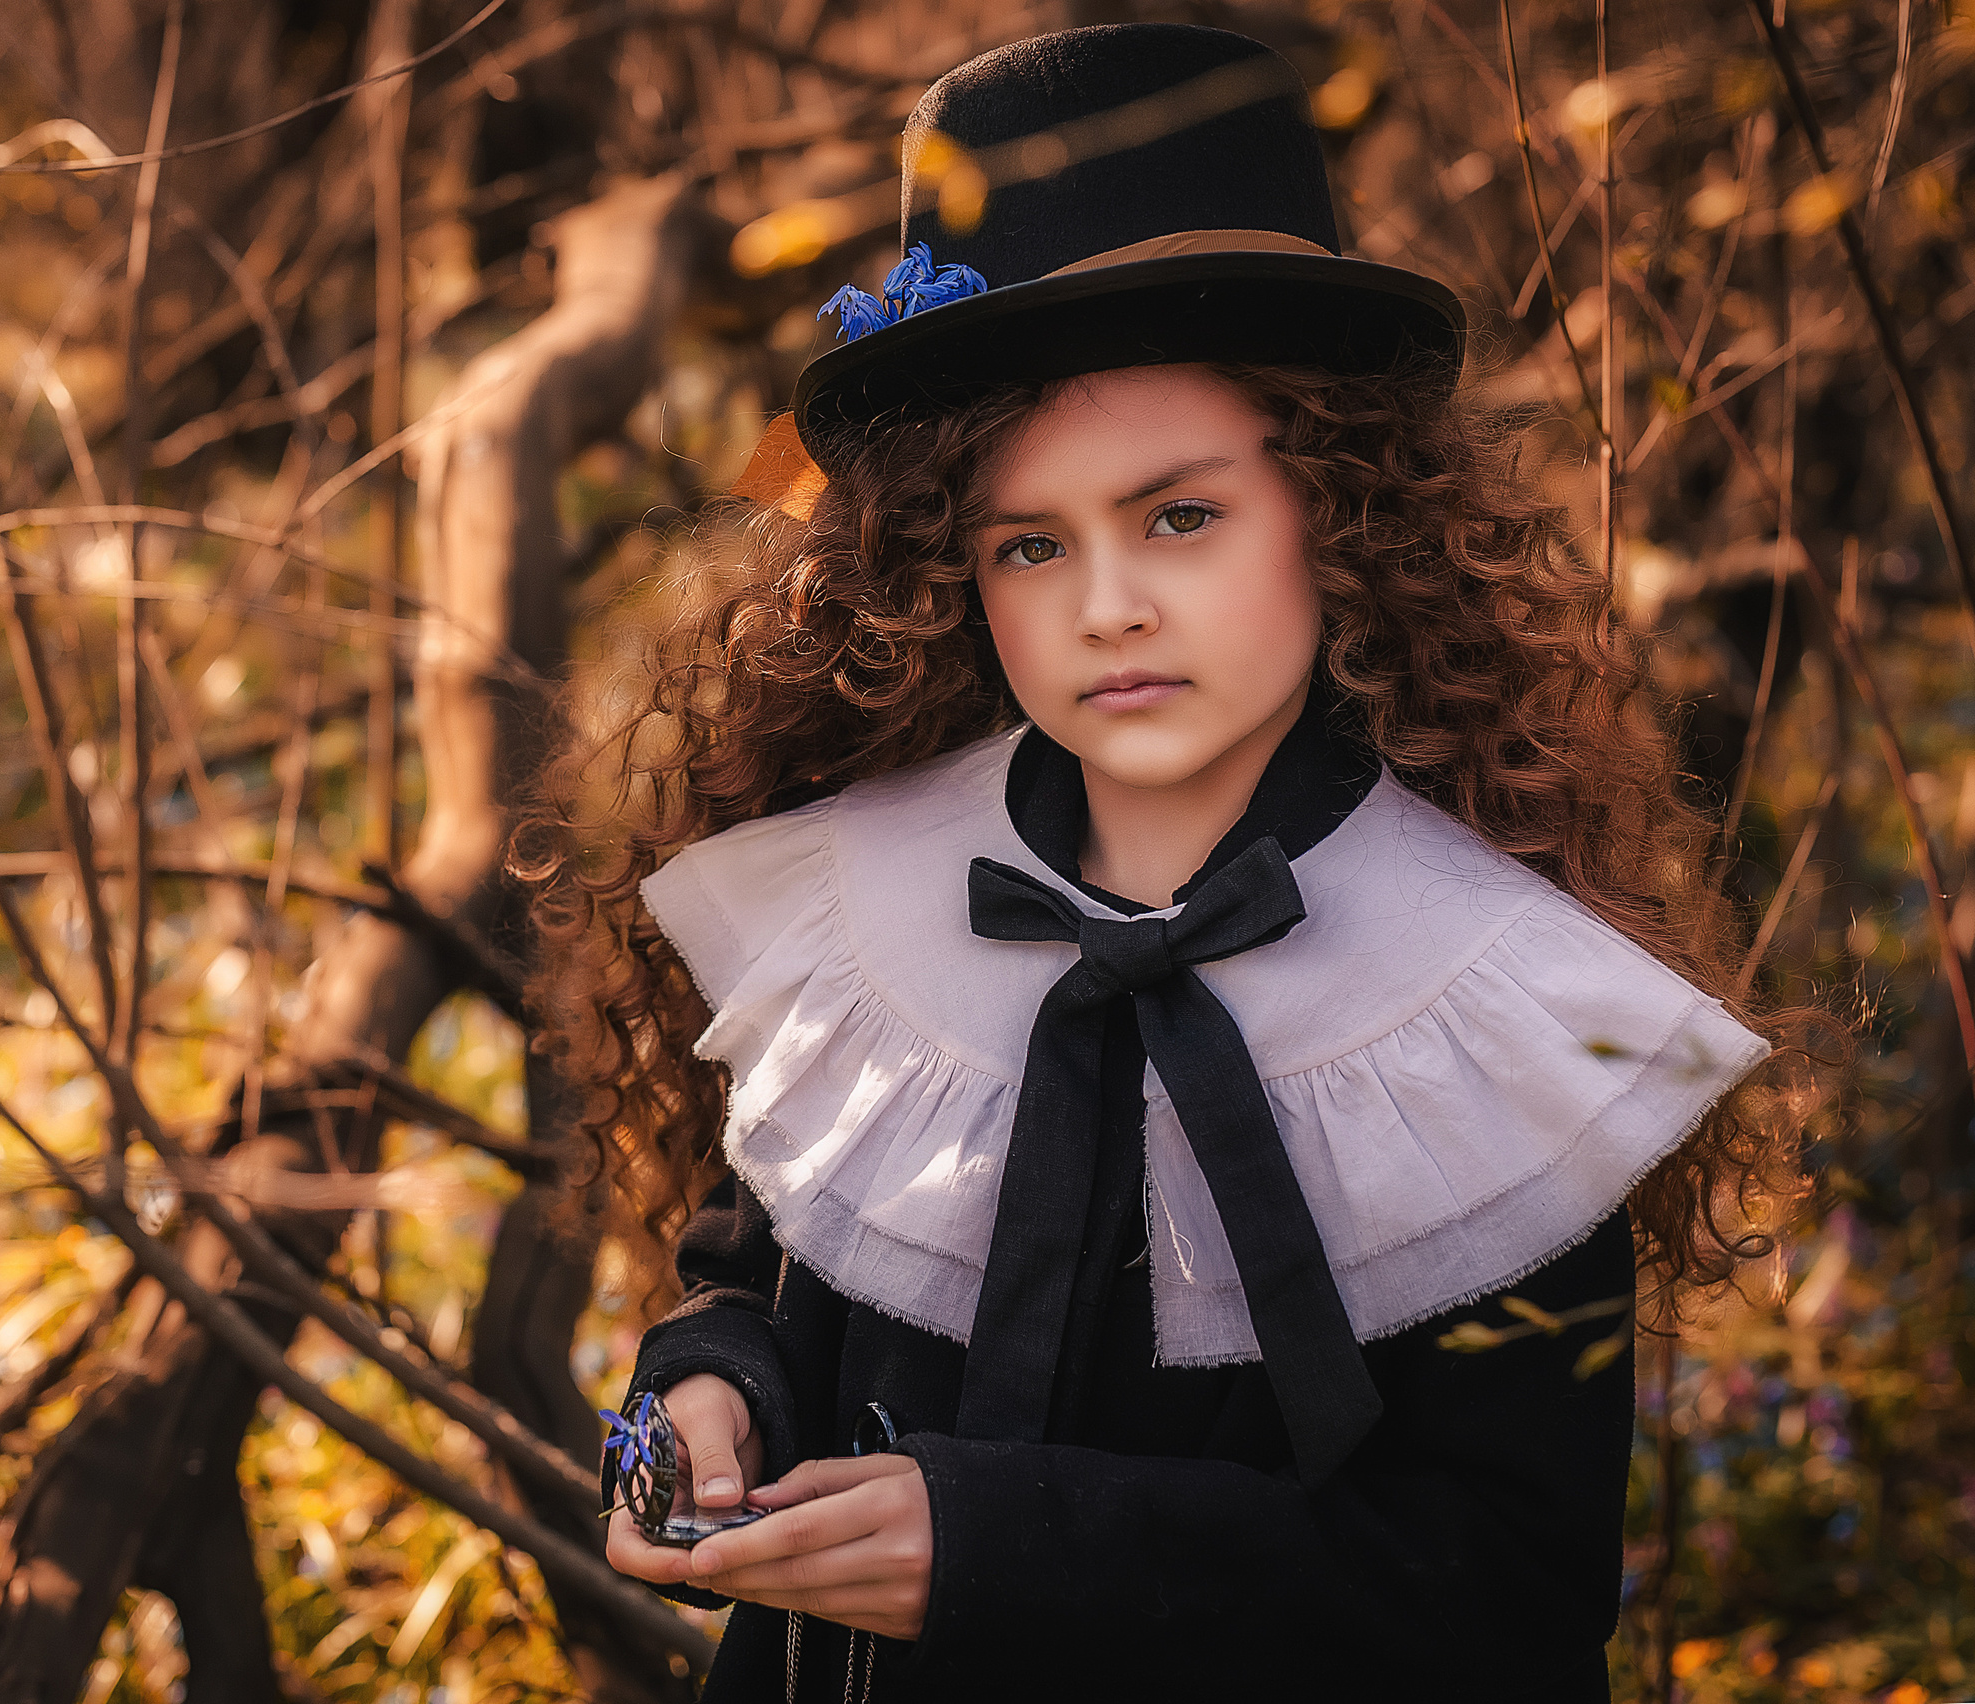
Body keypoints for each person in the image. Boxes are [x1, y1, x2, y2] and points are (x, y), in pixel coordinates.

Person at [521, 22, 1821, 1701]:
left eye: (1180, 516)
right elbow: (747, 1284)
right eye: (1029, 543)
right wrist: (707, 1404)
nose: (1106, 604)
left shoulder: (1495, 1006)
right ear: (952, 572)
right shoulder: (853, 904)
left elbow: (1502, 1594)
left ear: (1337, 507)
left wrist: (1005, 1551)